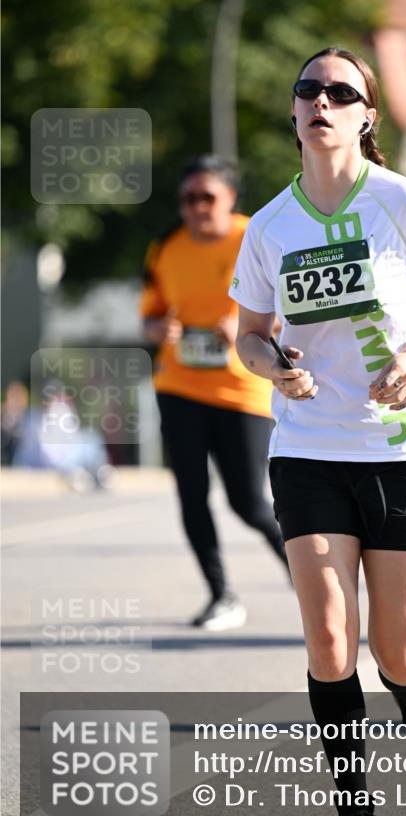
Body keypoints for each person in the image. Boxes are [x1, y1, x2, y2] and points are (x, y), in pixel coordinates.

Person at [230, 48, 406, 816]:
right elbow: (246, 335)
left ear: (367, 115)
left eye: (342, 92)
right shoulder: (269, 226)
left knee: (396, 651)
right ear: (294, 110)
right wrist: (274, 367)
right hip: (309, 450)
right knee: (330, 641)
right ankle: (354, 812)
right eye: (308, 89)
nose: (323, 102)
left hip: (405, 449)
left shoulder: (404, 203)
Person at [140, 155, 289, 631]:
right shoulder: (165, 247)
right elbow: (148, 316)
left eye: (207, 197)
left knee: (248, 502)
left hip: (242, 389)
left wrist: (246, 327)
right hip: (179, 386)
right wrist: (159, 327)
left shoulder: (257, 235)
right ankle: (221, 595)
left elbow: (295, 306)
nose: (197, 208)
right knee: (191, 496)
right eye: (188, 199)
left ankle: (310, 580)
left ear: (230, 198)